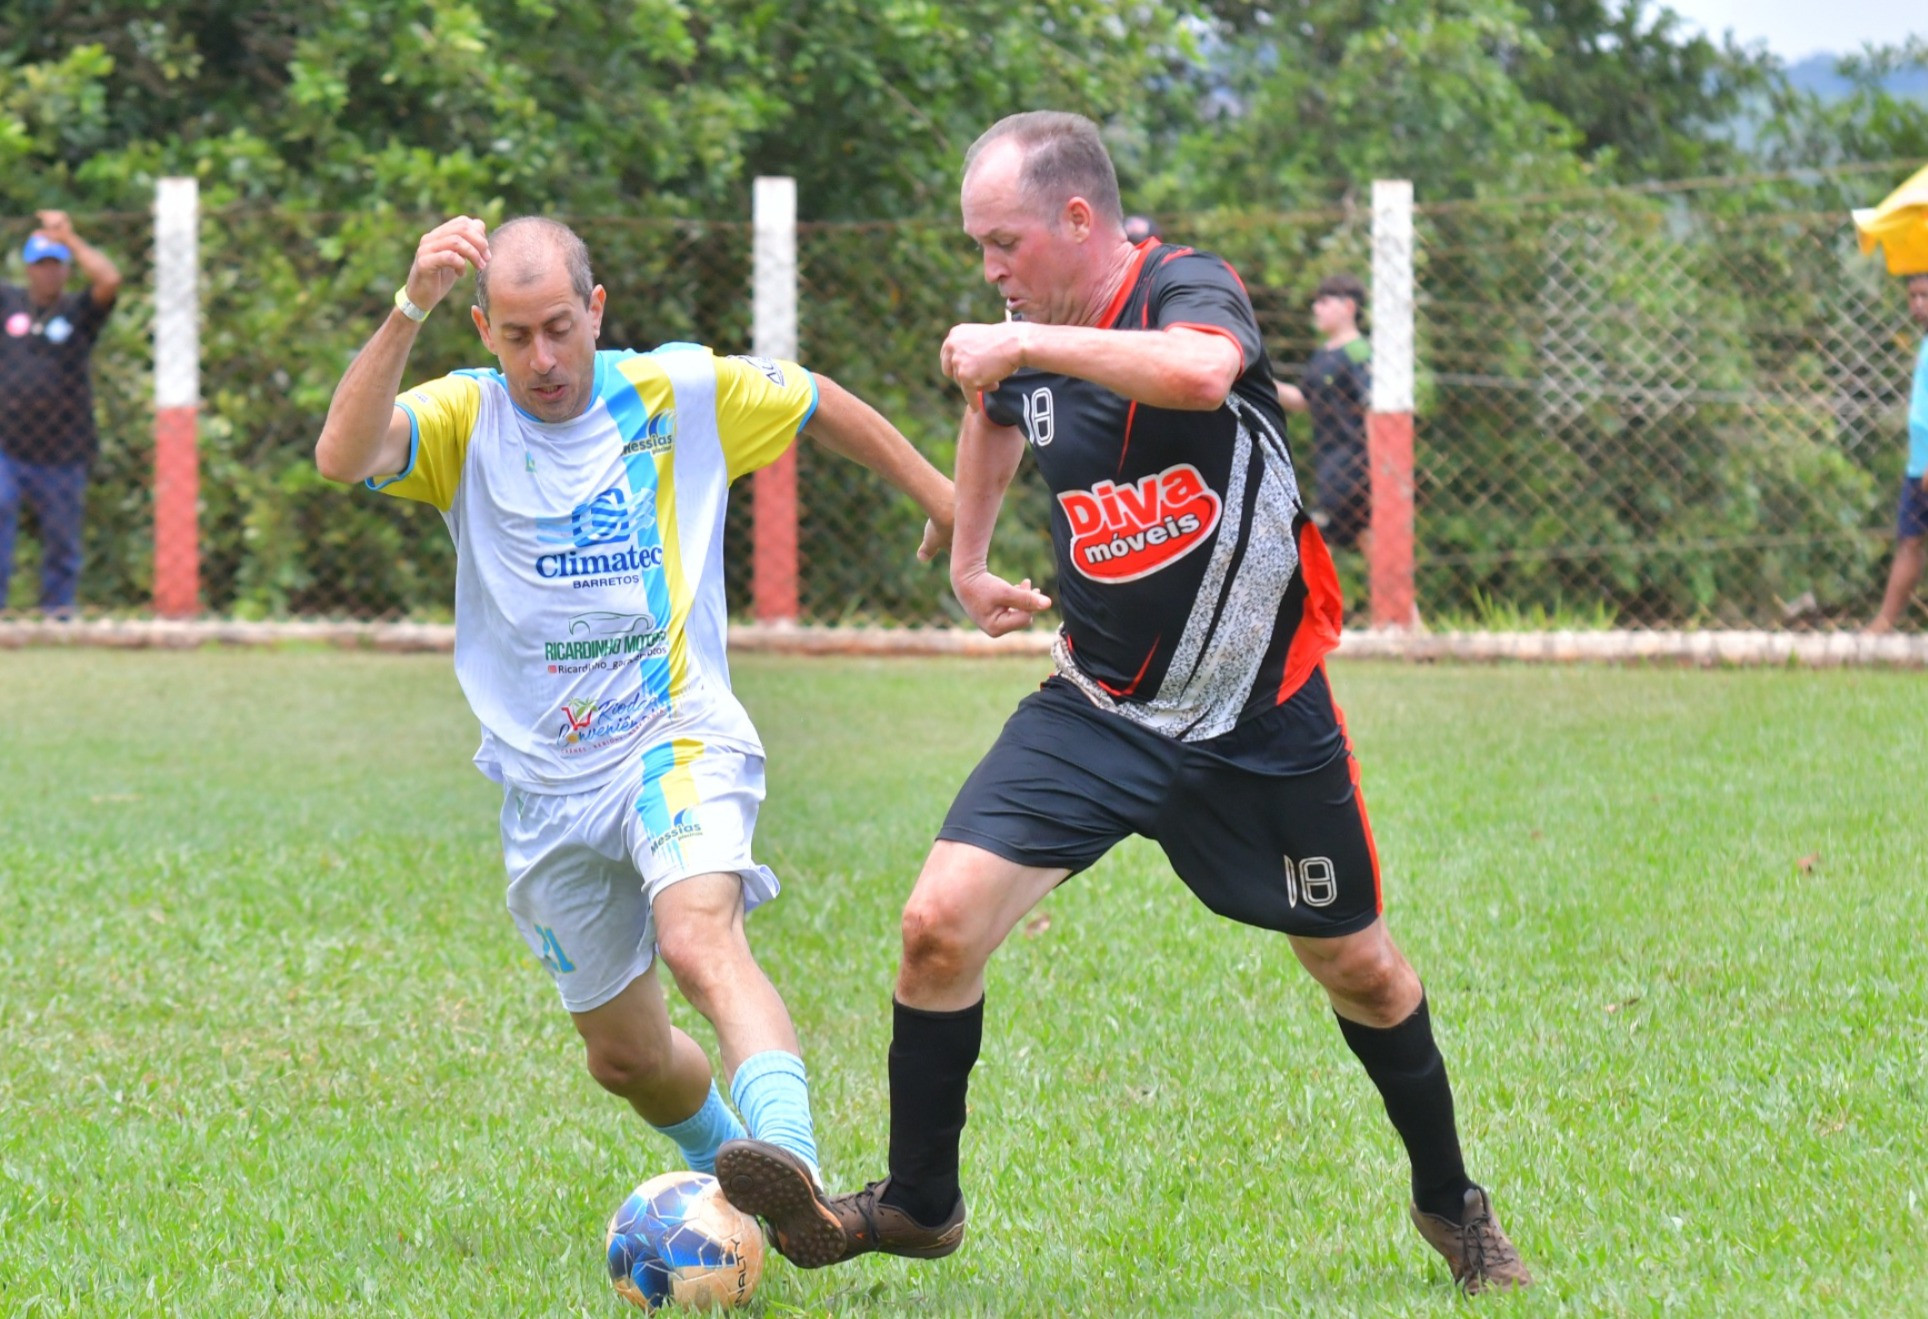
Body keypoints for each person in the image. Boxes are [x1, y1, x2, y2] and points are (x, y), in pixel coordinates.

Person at [714, 111, 1531, 1295]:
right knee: (935, 926)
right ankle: (914, 1204)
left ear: (1078, 220)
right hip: (1098, 703)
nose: (990, 269)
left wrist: (1028, 343)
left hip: (1258, 714)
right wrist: (968, 556)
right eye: (979, 247)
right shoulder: (1023, 334)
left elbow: (1199, 371)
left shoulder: (1184, 287)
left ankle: (1451, 1206)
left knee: (1361, 969)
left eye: (1003, 242)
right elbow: (998, 414)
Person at [314, 215, 954, 1189]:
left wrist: (944, 498)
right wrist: (409, 307)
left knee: (699, 938)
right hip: (545, 784)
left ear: (596, 310)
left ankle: (791, 1168)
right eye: (518, 334)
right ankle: (725, 1167)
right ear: (483, 329)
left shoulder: (673, 390)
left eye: (561, 327)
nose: (544, 358)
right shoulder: (463, 419)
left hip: (672, 732)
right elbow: (342, 452)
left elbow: (813, 397)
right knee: (624, 1058)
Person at [0, 211, 122, 614]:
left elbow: (109, 280)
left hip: (64, 449)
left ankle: (57, 613)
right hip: (8, 446)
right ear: (29, 269)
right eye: (41, 265)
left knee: (62, 538)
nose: (48, 274)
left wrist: (69, 238)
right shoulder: (8, 303)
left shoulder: (78, 312)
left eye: (56, 265)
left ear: (66, 270)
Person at [1276, 273, 1372, 555]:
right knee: (1369, 540)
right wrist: (1255, 379)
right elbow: (1304, 399)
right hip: (1329, 464)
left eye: (1324, 302)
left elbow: (1371, 405)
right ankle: (1401, 602)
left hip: (1353, 466)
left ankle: (1312, 601)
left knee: (1315, 543)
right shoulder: (1323, 354)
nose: (1316, 308)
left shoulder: (1357, 350)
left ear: (1349, 307)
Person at [1867, 272, 1928, 634]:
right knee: (1909, 541)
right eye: (1912, 297)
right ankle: (1883, 625)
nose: (1918, 305)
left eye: (1925, 295)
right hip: (1916, 465)